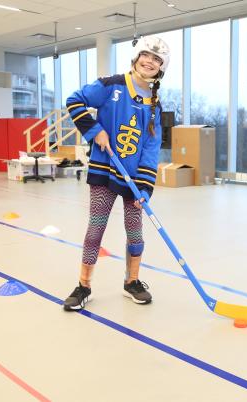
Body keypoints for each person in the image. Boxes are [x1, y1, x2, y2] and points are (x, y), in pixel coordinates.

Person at [63, 36, 170, 311]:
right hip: (104, 169)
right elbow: (75, 101)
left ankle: (131, 281)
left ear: (161, 68)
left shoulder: (155, 106)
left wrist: (145, 187)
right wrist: (94, 130)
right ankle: (83, 285)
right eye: (147, 55)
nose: (150, 61)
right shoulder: (111, 85)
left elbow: (150, 148)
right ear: (136, 57)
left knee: (135, 233)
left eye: (157, 59)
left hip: (133, 179)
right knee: (95, 229)